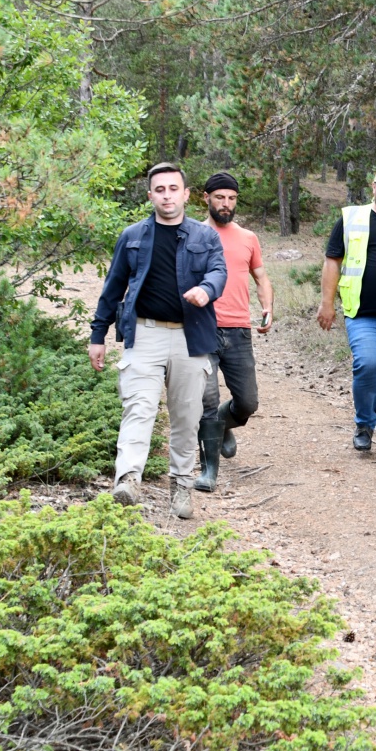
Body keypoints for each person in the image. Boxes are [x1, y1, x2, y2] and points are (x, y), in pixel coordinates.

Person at [88, 162, 226, 520]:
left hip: (190, 338)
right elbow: (112, 288)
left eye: (173, 189)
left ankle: (181, 484)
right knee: (139, 408)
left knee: (186, 416)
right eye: (159, 189)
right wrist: (97, 335)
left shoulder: (205, 236)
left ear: (186, 194)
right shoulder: (132, 236)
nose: (167, 195)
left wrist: (206, 290)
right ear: (150, 195)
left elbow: (218, 272)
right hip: (144, 334)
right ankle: (128, 479)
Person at [318, 166, 376, 460]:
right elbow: (333, 261)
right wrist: (327, 303)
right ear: (374, 187)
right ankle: (364, 424)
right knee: (370, 364)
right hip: (363, 312)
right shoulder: (351, 218)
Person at [193, 172, 274, 493]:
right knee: (207, 399)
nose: (226, 204)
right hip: (202, 328)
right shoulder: (192, 234)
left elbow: (261, 277)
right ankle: (208, 469)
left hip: (239, 329)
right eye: (220, 198)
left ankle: (223, 426)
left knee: (248, 402)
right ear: (206, 198)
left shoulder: (248, 238)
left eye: (232, 198)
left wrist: (267, 307)